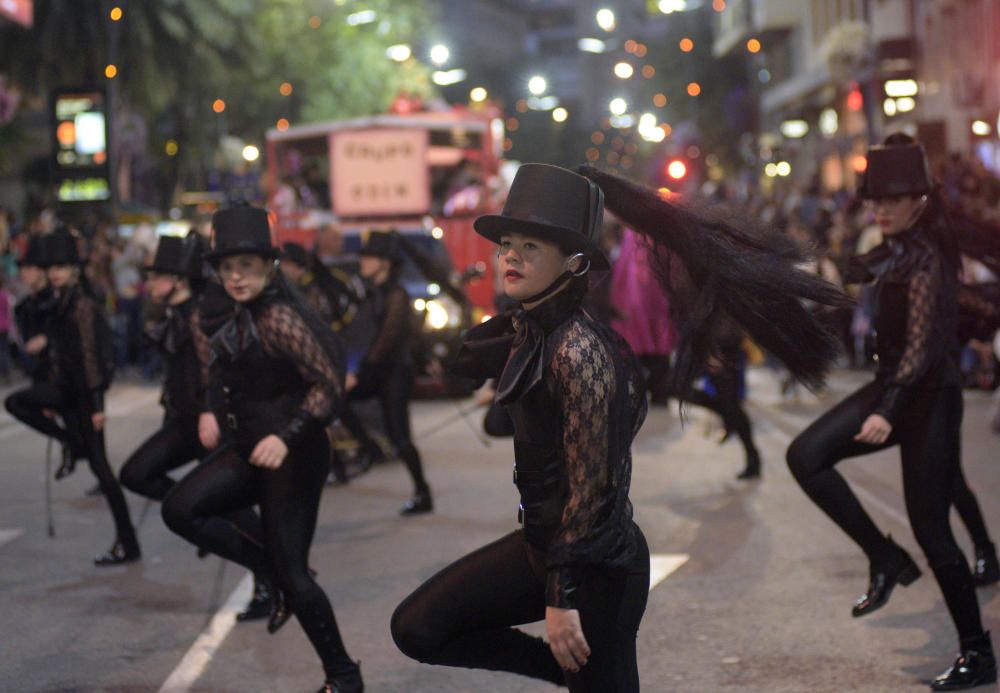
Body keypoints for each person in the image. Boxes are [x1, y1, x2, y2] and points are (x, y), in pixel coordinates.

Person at [391, 164, 846, 691]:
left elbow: (595, 491)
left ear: (574, 261)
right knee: (418, 627)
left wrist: (560, 599)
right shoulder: (532, 332)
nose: (509, 256)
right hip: (545, 546)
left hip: (595, 566)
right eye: (507, 243)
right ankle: (566, 673)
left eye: (531, 246)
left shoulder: (578, 348)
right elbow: (497, 421)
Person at [786, 138, 995, 690]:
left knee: (933, 530)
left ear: (919, 199)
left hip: (926, 397)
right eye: (875, 197)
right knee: (805, 455)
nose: (880, 207)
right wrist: (775, 266)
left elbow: (925, 348)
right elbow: (854, 269)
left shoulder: (925, 258)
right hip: (895, 388)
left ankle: (978, 653)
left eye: (893, 198)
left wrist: (889, 410)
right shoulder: (894, 248)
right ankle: (883, 557)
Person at [160, 206, 362, 693]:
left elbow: (328, 385)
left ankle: (344, 675)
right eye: (227, 267)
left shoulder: (279, 317)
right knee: (180, 508)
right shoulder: (236, 315)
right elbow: (220, 375)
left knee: (297, 576)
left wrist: (286, 435)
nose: (235, 276)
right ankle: (269, 570)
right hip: (250, 445)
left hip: (295, 453)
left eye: (246, 266)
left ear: (268, 266)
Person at [5, 227, 140, 565]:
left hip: (83, 396)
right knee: (17, 402)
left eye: (62, 266)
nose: (55, 272)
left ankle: (128, 543)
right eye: (51, 267)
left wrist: (97, 405)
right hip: (65, 390)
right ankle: (70, 442)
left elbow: (92, 357)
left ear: (74, 269)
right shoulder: (56, 302)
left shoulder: (80, 304)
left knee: (104, 473)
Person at [340, 230, 433, 515]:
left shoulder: (397, 294)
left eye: (369, 257)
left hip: (394, 374)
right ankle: (369, 449)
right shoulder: (371, 293)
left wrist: (358, 373)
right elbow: (360, 335)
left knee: (400, 437)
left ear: (385, 262)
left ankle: (422, 492)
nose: (363, 262)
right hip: (375, 371)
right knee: (337, 400)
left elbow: (386, 341)